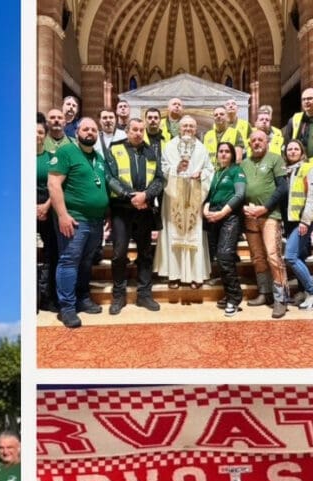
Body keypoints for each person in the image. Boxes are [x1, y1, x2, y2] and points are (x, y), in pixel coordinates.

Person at [48, 117, 109, 328]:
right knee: (69, 261)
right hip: (74, 220)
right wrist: (63, 215)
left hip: (95, 221)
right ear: (77, 132)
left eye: (94, 130)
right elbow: (53, 184)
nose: (90, 132)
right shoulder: (66, 152)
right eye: (86, 129)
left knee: (86, 262)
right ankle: (67, 307)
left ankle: (83, 299)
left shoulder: (99, 158)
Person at [105, 117, 165, 314]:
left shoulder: (151, 151)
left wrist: (146, 196)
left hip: (144, 210)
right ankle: (119, 295)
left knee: (145, 253)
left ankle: (144, 295)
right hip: (122, 209)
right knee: (119, 253)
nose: (138, 133)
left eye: (141, 130)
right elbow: (109, 176)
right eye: (134, 129)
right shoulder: (114, 148)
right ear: (127, 131)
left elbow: (159, 179)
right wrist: (129, 195)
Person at [157, 116, 214, 290]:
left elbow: (210, 170)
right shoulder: (169, 147)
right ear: (179, 129)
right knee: (173, 234)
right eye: (185, 126)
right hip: (174, 196)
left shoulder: (202, 148)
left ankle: (196, 276)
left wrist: (201, 175)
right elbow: (163, 169)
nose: (188, 128)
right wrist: (176, 169)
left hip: (194, 198)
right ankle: (173, 275)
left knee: (194, 235)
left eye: (191, 126)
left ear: (195, 129)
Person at [240, 128, 289, 316]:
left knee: (273, 256)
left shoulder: (275, 159)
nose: (257, 143)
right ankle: (264, 292)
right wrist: (243, 207)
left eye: (260, 140)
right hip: (249, 216)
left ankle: (281, 298)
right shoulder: (244, 163)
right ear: (250, 144)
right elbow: (239, 188)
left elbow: (282, 188)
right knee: (258, 256)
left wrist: (265, 207)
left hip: (270, 215)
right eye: (254, 141)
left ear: (266, 142)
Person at [204, 141, 248, 316]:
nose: (223, 154)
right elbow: (209, 195)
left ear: (232, 155)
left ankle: (234, 298)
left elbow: (239, 194)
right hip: (214, 217)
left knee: (225, 256)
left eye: (226, 152)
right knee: (219, 257)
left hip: (229, 217)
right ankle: (229, 293)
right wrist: (205, 209)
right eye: (220, 151)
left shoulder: (237, 171)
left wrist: (222, 213)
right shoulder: (217, 173)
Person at [281, 138, 313, 309]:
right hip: (292, 220)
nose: (292, 152)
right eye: (289, 149)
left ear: (302, 152)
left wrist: (305, 221)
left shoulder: (309, 168)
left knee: (290, 256)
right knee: (298, 256)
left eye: (295, 149)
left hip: (305, 220)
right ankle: (309, 292)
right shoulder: (288, 170)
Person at [37, 121, 60, 312]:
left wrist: (45, 206)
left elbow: (56, 185)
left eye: (39, 132)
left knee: (52, 254)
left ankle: (48, 297)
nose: (36, 135)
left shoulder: (52, 158)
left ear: (45, 135)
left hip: (48, 207)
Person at [284, 88, 313, 157]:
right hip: (302, 164)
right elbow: (287, 144)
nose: (306, 101)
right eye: (304, 99)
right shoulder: (294, 120)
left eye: (309, 98)